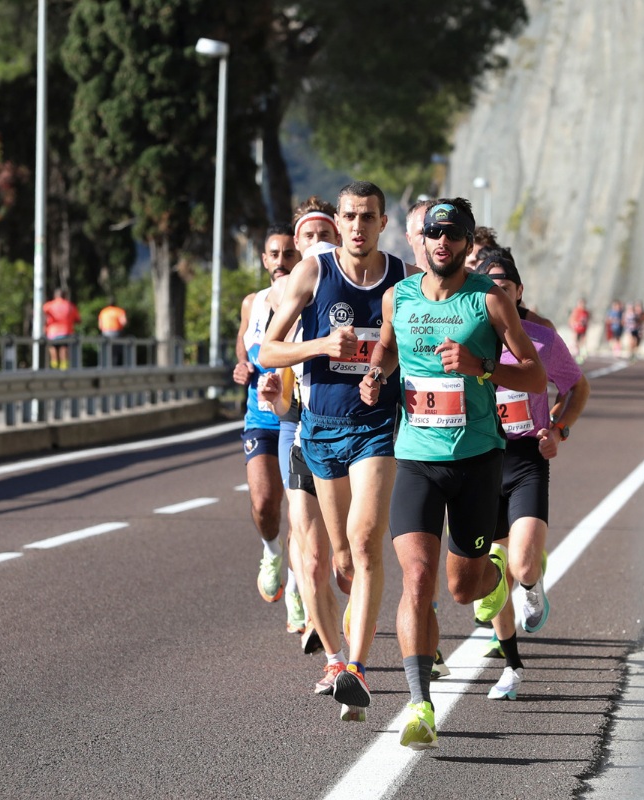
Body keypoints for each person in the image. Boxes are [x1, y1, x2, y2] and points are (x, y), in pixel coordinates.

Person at [359, 198, 546, 750]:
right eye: (434, 233)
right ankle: (420, 705)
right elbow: (388, 352)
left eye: (454, 234)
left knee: (462, 589)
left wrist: (481, 366)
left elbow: (535, 376)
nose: (442, 242)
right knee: (417, 577)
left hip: (476, 459)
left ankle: (494, 570)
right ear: (421, 241)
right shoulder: (400, 297)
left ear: (467, 243)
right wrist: (374, 375)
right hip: (416, 455)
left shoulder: (488, 301)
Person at [258, 180, 413, 723]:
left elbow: (405, 348)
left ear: (382, 222)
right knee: (339, 560)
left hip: (375, 426)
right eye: (348, 216)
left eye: (367, 217)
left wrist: (381, 370)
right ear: (340, 219)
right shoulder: (315, 272)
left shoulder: (402, 279)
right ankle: (339, 652)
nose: (356, 226)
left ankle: (355, 669)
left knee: (365, 543)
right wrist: (321, 345)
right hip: (320, 427)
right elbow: (268, 350)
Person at [474, 248, 590, 701]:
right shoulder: (467, 337)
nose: (498, 291)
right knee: (492, 572)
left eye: (506, 285)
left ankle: (532, 581)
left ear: (519, 292)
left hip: (525, 459)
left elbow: (577, 386)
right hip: (479, 460)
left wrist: (558, 429)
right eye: (490, 285)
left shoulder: (540, 339)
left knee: (520, 563)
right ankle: (511, 665)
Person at [232, 224, 299, 624]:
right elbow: (244, 340)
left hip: (298, 416)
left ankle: (297, 590)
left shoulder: (310, 296)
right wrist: (242, 365)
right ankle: (271, 552)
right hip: (260, 417)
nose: (281, 261)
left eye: (288, 254)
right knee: (263, 502)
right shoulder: (252, 303)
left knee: (302, 514)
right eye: (273, 254)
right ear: (264, 259)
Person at [43, 288, 80, 370]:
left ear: (55, 295)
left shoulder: (48, 306)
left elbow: (42, 316)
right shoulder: (70, 306)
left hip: (52, 332)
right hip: (66, 331)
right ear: (65, 296)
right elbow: (78, 319)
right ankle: (64, 368)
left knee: (53, 348)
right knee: (64, 348)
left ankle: (54, 366)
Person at [97, 296, 127, 367]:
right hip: (116, 333)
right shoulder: (119, 311)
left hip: (105, 333)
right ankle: (116, 366)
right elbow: (124, 322)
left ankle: (105, 366)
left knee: (106, 350)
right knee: (116, 352)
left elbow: (100, 325)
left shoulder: (103, 311)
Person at [568, 297, 590, 362]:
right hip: (576, 329)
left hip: (583, 329)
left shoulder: (586, 312)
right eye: (580, 303)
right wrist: (573, 326)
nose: (582, 305)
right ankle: (576, 353)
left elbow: (587, 320)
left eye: (583, 304)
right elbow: (571, 320)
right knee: (576, 342)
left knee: (582, 342)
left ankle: (581, 354)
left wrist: (585, 325)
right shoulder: (576, 311)